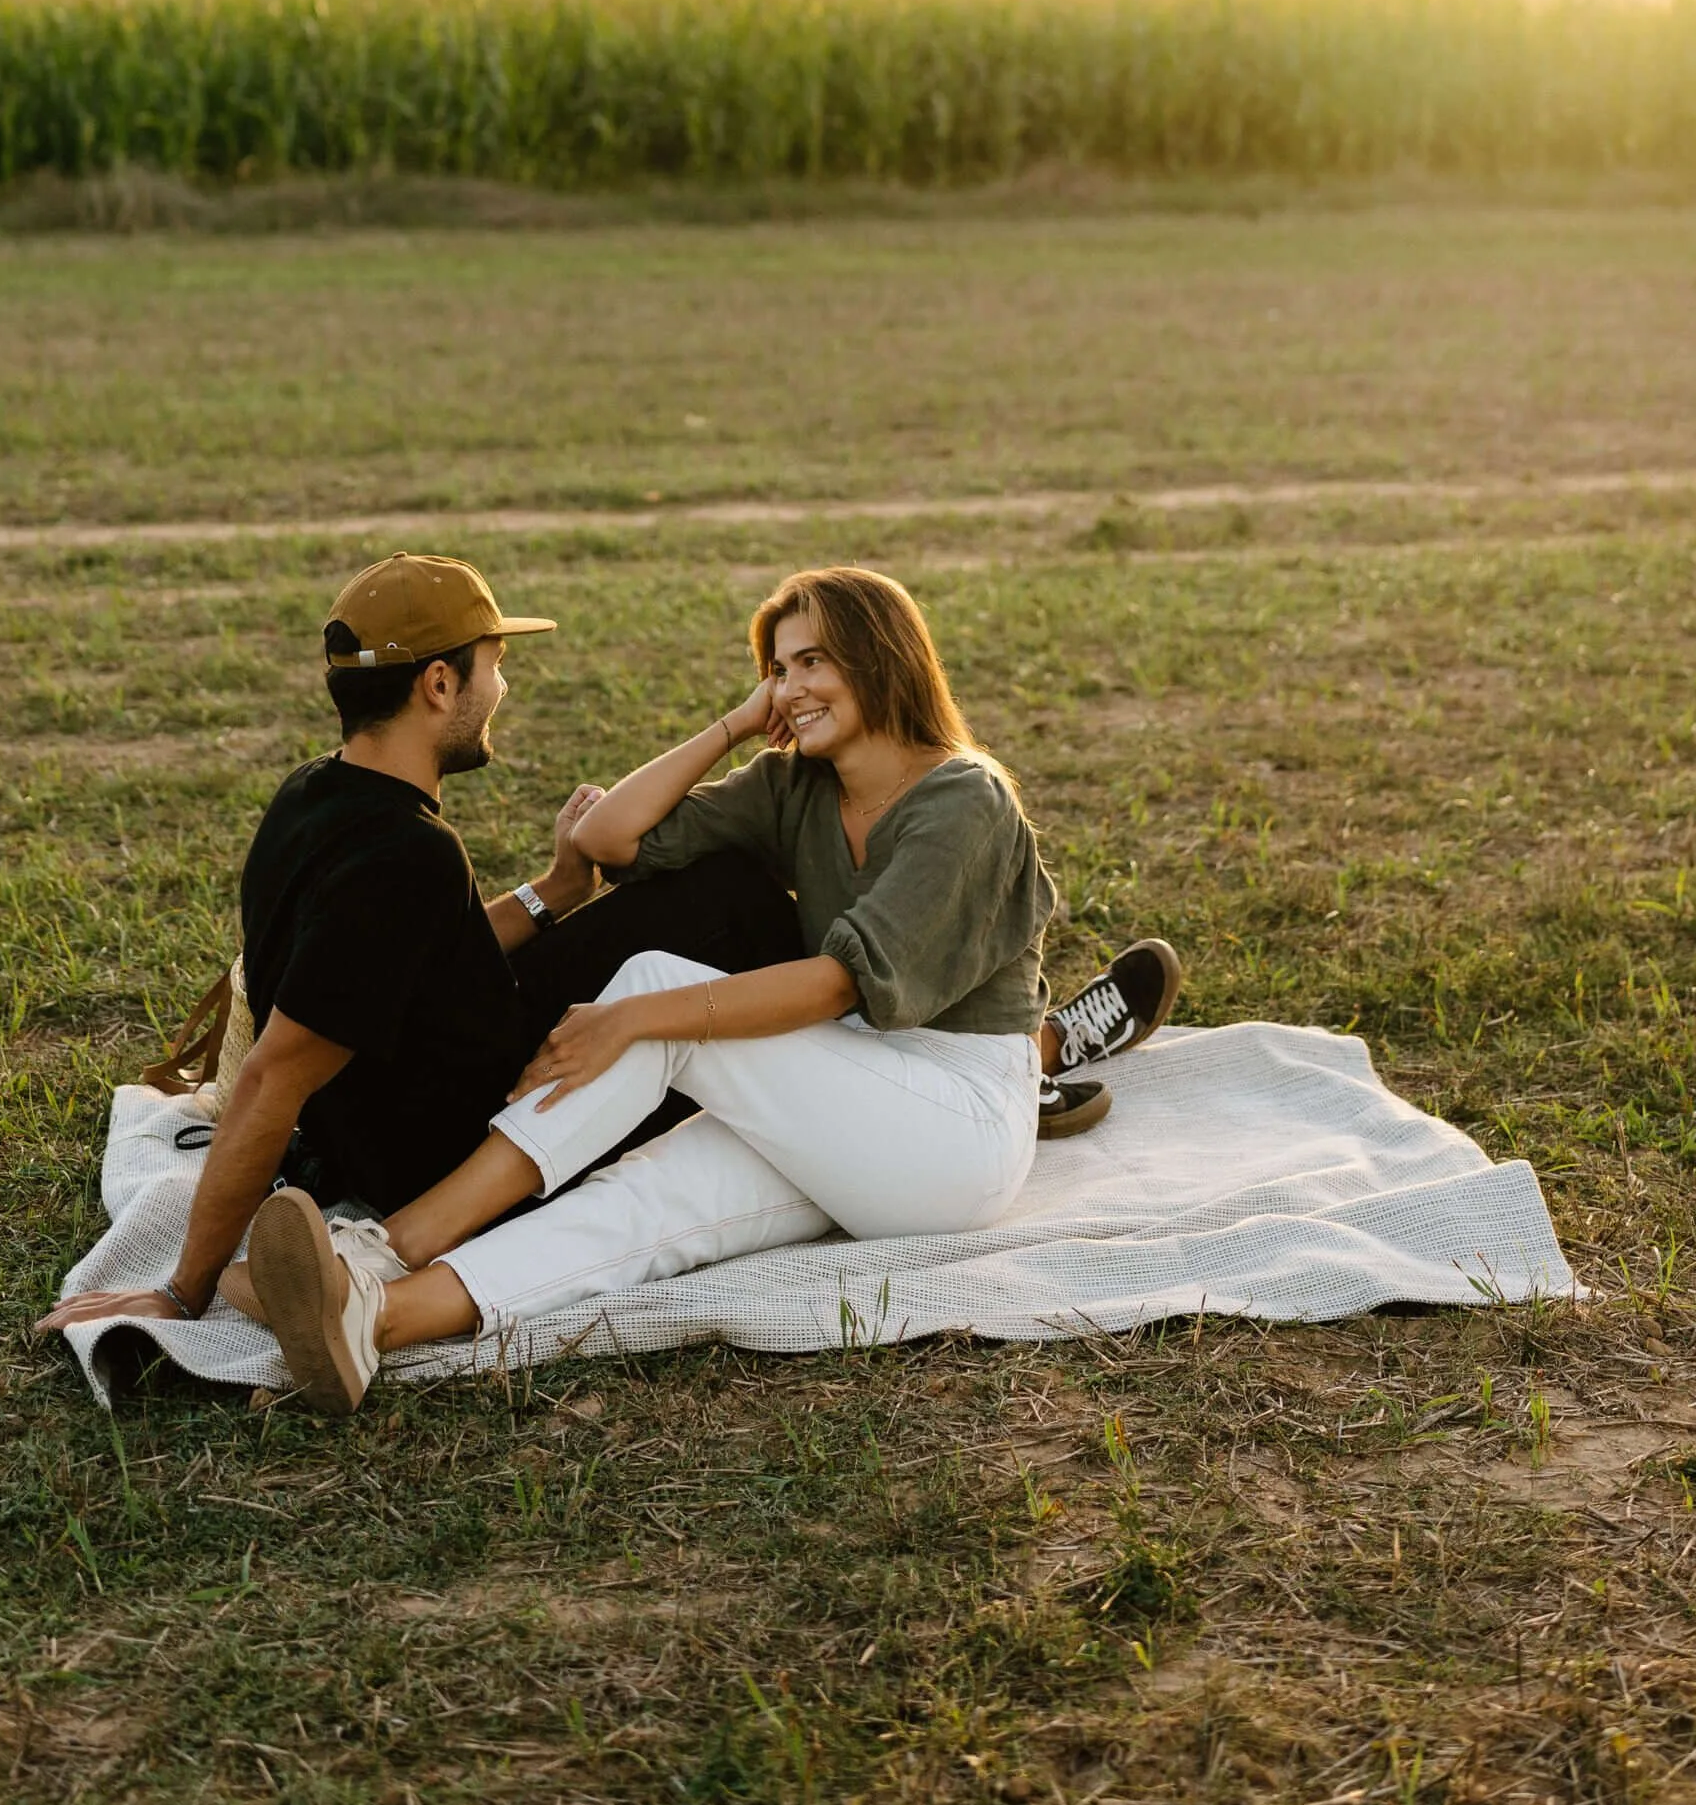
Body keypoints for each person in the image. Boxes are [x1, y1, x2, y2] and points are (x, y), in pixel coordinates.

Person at [227, 565, 1181, 1416]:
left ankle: (389, 1244)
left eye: (813, 662)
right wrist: (733, 727)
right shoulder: (796, 785)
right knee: (644, 1206)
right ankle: (376, 1320)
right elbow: (611, 843)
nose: (790, 687)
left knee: (655, 993)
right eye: (776, 669)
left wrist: (635, 1018)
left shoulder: (966, 799)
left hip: (953, 1125)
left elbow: (839, 980)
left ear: (881, 658)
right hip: (844, 1097)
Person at [36, 551, 805, 1358]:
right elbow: (273, 1075)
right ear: (440, 685)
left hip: (420, 1084)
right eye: (494, 667)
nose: (502, 689)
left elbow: (429, 960)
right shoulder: (403, 856)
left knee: (710, 893)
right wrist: (181, 1291)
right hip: (454, 1146)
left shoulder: (316, 793)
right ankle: (837, 1070)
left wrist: (557, 889)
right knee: (736, 904)